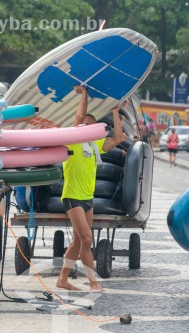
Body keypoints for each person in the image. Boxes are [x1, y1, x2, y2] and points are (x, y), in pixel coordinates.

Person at [56, 86, 124, 293]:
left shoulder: (94, 145)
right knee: (87, 238)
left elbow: (119, 138)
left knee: (78, 242)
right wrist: (84, 96)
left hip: (87, 198)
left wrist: (115, 112)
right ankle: (93, 282)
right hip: (72, 196)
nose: (88, 127)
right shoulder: (73, 141)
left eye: (92, 125)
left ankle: (62, 279)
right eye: (86, 124)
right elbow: (78, 118)